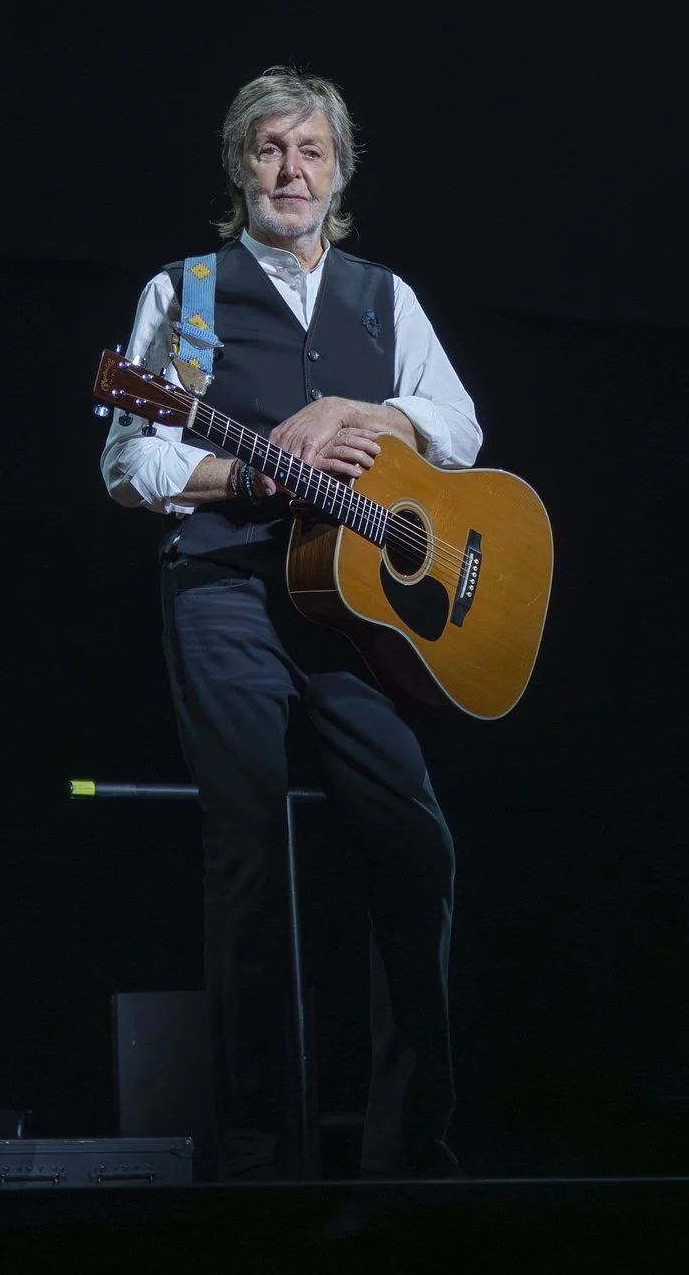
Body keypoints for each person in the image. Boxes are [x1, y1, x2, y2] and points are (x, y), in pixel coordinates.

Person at [100, 67, 482, 1178]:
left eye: (311, 151)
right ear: (237, 167)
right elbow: (133, 460)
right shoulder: (189, 292)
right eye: (269, 149)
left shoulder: (382, 294)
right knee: (253, 855)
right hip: (225, 591)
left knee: (415, 845)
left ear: (340, 171)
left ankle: (412, 1151)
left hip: (354, 607)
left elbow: (457, 425)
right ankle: (260, 1155)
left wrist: (356, 413)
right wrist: (254, 473)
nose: (290, 172)